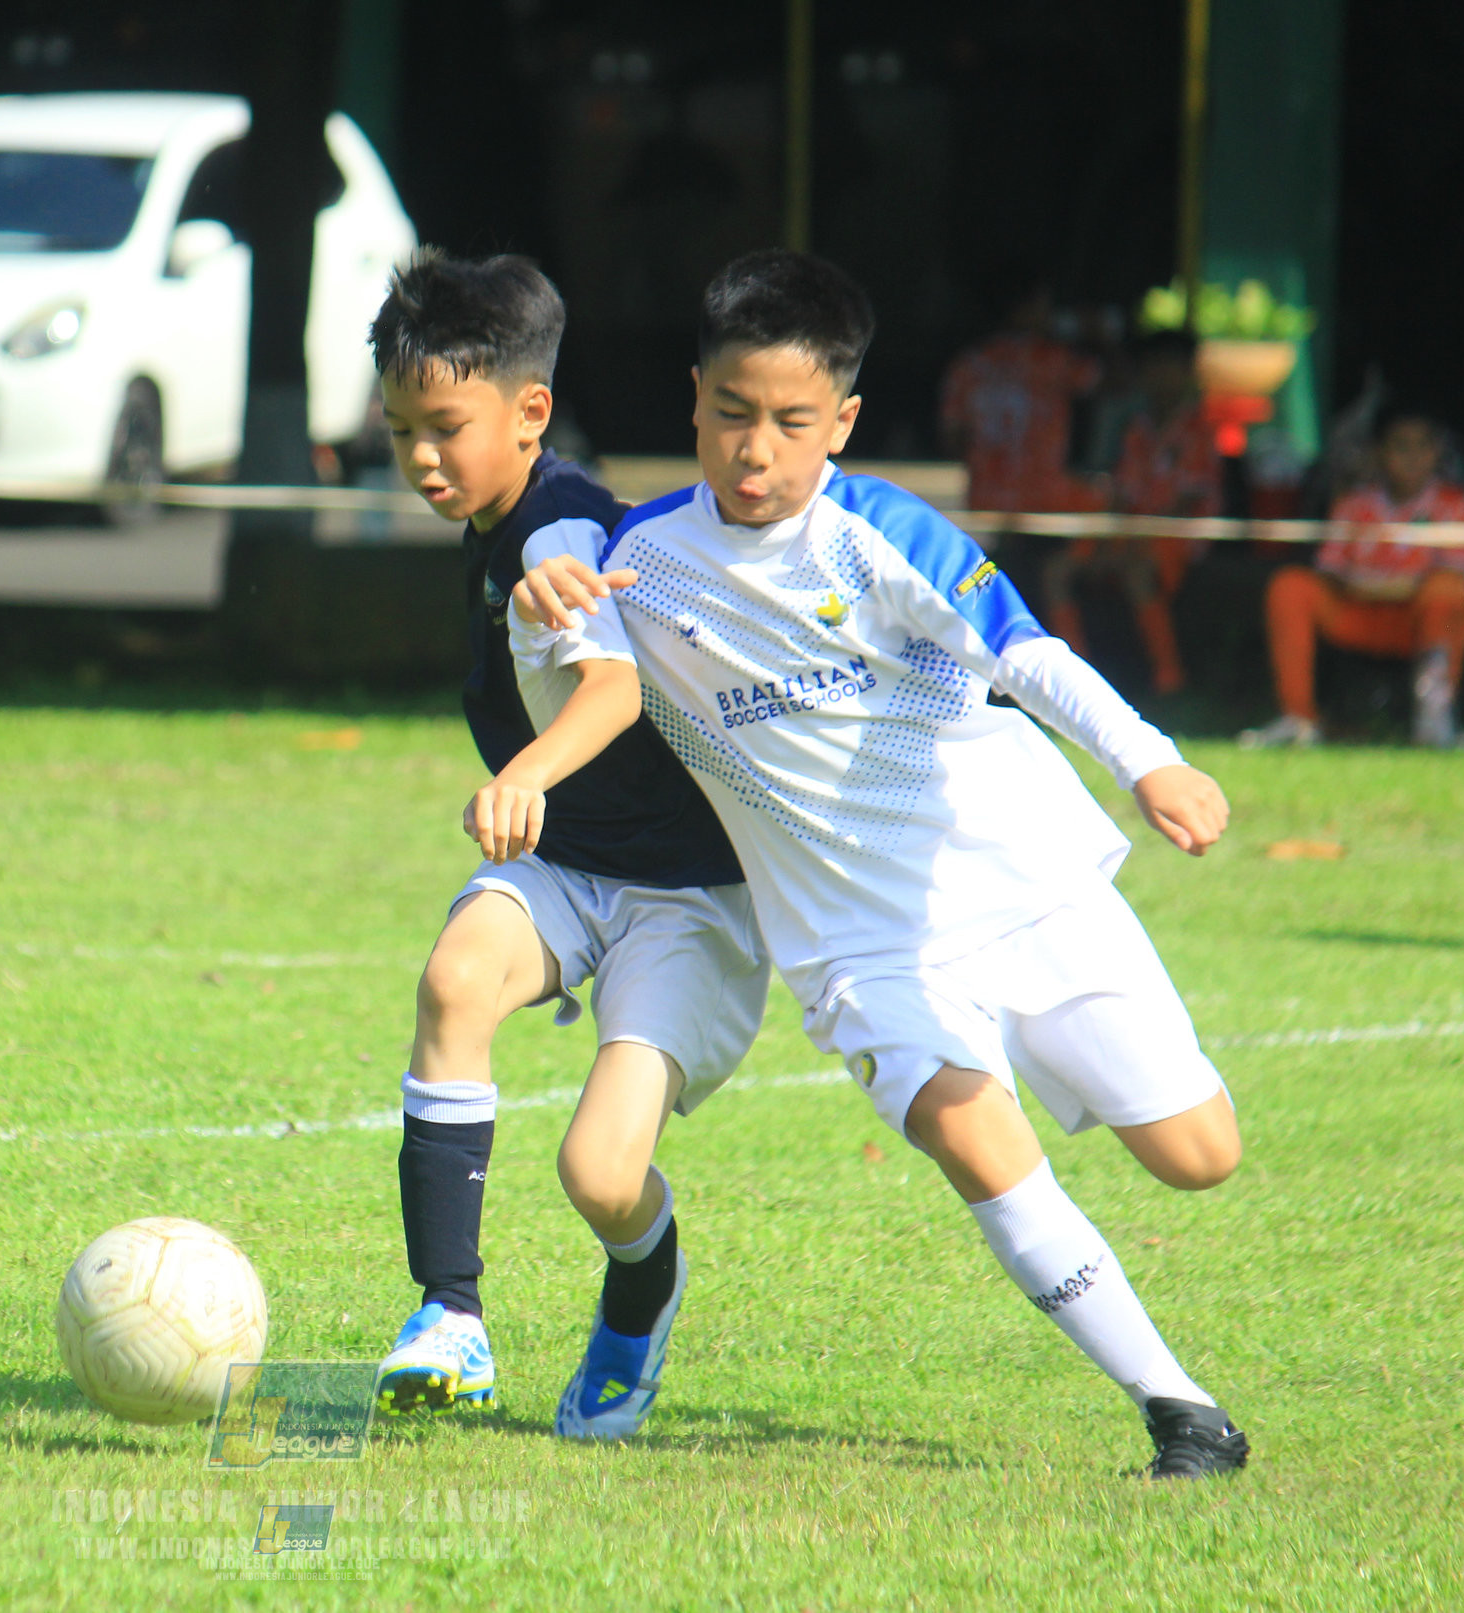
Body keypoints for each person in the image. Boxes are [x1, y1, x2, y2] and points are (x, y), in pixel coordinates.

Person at [509, 250, 1251, 1479]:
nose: (755, 449)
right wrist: (552, 580)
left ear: (840, 422)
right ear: (693, 400)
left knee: (1198, 1154)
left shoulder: (878, 534)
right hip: (856, 946)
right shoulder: (633, 558)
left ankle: (1103, 1203)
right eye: (731, 414)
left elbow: (1027, 653)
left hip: (1023, 886)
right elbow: (581, 652)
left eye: (791, 423)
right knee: (972, 1133)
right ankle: (1183, 1411)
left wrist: (1149, 761)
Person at [364, 251, 769, 1440]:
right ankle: (449, 1314)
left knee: (599, 1174)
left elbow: (609, 686)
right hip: (573, 866)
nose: (421, 458)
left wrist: (526, 771)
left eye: (445, 427)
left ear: (530, 411)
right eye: (400, 432)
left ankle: (641, 1292)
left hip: (690, 896)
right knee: (455, 978)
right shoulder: (497, 522)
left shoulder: (557, 531)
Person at [1240, 404, 1464, 748]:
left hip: (1424, 622)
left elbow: (1456, 574)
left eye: (1423, 446)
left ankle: (1435, 719)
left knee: (1446, 593)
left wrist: (1382, 586)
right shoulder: (1354, 503)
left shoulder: (1456, 504)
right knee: (1290, 586)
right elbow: (1331, 571)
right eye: (1401, 446)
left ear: (1436, 452)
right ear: (1380, 453)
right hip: (1357, 616)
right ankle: (1298, 718)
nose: (1413, 457)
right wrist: (1381, 587)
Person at [1042, 328, 1220, 694]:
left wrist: (1134, 542)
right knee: (1056, 571)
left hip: (1177, 539)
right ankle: (1075, 680)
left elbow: (1186, 502)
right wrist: (1109, 540)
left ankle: (1169, 680)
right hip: (1128, 533)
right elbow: (1121, 494)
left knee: (1137, 571)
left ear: (1188, 372)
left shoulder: (1200, 429)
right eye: (1152, 367)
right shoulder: (1137, 429)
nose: (1159, 377)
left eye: (1168, 367)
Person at [939, 272, 1104, 518]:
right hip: (1044, 502)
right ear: (1025, 308)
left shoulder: (968, 365)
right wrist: (1092, 331)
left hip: (986, 499)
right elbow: (1108, 383)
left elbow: (952, 438)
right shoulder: (1053, 358)